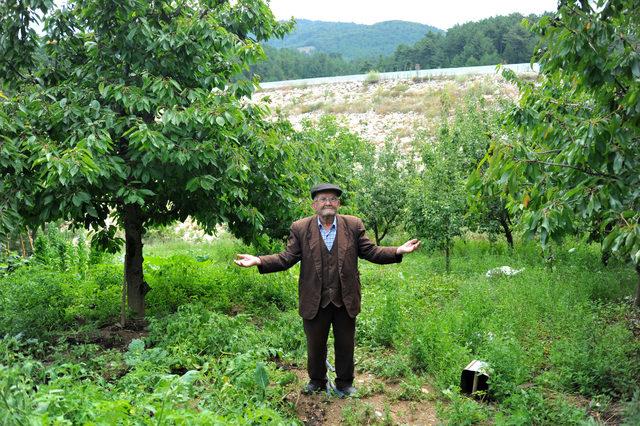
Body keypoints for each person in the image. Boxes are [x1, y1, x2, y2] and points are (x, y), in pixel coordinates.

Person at [234, 183, 420, 397]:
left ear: (338, 204)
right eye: (323, 199)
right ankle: (317, 381)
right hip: (314, 298)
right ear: (315, 205)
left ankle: (344, 383)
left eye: (332, 199)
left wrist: (397, 250)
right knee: (315, 344)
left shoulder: (353, 225)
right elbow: (287, 258)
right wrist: (259, 260)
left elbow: (370, 251)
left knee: (345, 343)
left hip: (345, 297)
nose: (328, 202)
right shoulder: (301, 228)